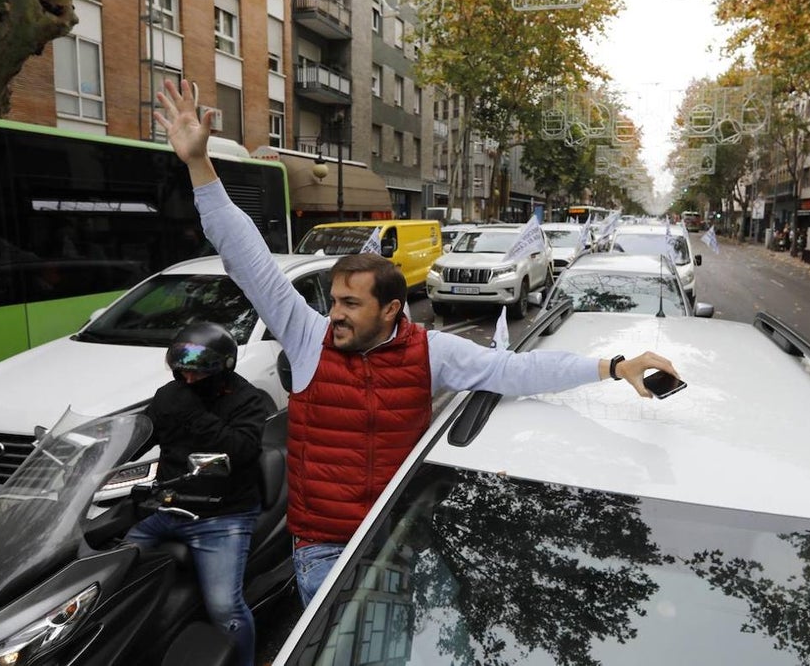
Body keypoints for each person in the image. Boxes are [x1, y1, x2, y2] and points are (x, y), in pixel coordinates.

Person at [152, 79, 683, 610]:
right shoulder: (308, 336)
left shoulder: (431, 352)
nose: (335, 314)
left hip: (400, 542)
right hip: (324, 551)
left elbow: (517, 371)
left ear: (390, 310)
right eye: (334, 301)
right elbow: (244, 253)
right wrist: (199, 164)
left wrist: (613, 366)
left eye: (350, 304)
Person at [125, 321, 270, 666]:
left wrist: (192, 415)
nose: (189, 379)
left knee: (224, 607)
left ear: (223, 369)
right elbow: (138, 437)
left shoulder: (247, 400)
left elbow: (242, 450)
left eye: (199, 373)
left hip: (222, 515)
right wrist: (95, 453)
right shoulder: (170, 394)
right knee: (117, 570)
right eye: (182, 371)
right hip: (168, 507)